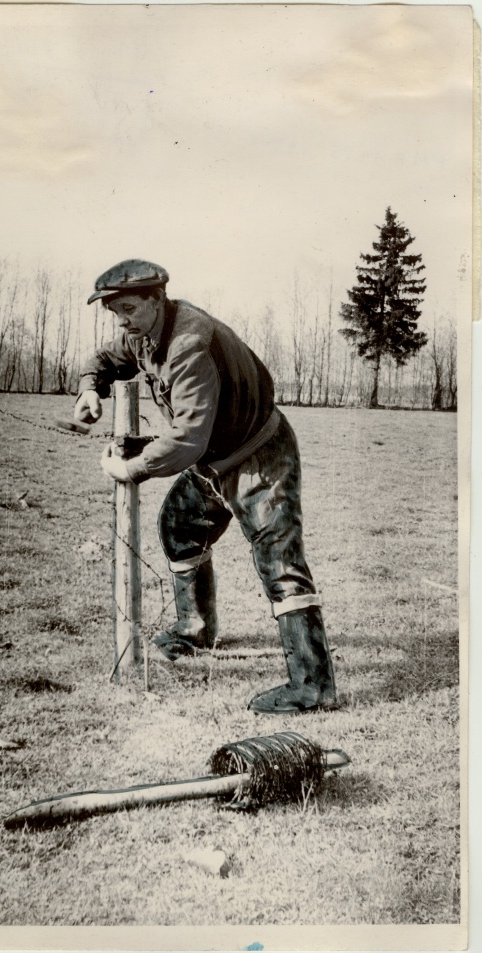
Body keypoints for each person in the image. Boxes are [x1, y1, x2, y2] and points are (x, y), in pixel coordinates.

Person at [74, 259, 337, 714]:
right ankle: (195, 631)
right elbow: (105, 359)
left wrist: (132, 469)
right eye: (115, 312)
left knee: (279, 563)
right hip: (215, 460)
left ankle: (312, 686)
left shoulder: (189, 344)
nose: (122, 320)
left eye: (129, 308)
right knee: (180, 526)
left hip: (259, 455)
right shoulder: (144, 333)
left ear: (157, 300)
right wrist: (90, 389)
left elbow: (188, 438)